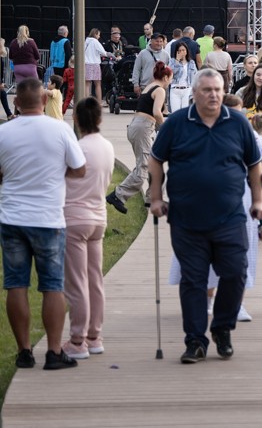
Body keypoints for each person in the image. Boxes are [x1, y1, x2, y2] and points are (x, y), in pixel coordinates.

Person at [148, 69, 262, 363]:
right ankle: (194, 341)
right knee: (193, 279)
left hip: (231, 217)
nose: (213, 95)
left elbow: (254, 164)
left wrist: (258, 201)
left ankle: (222, 328)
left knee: (236, 272)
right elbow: (156, 160)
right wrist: (155, 197)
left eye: (217, 89)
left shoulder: (237, 123)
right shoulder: (177, 123)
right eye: (207, 90)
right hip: (186, 218)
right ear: (194, 93)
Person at [0, 79, 88, 370]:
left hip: (12, 218)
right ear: (44, 100)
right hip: (48, 218)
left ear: (16, 102)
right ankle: (53, 352)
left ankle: (24, 352)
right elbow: (80, 169)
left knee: (16, 284)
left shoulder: (4, 132)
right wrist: (57, 172)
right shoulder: (59, 129)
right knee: (52, 286)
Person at [63, 97, 115, 360]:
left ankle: (77, 340)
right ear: (100, 119)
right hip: (98, 217)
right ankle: (95, 336)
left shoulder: (77, 148)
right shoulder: (108, 146)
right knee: (95, 280)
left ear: (76, 119)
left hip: (74, 218)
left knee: (77, 282)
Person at [107, 61, 171, 214]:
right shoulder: (160, 90)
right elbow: (156, 112)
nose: (171, 81)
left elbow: (148, 110)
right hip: (143, 128)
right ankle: (118, 195)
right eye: (171, 78)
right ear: (166, 77)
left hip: (137, 126)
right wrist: (165, 129)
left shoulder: (149, 86)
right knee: (143, 166)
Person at [167, 41, 199, 113]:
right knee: (175, 112)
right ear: (177, 52)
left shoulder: (191, 63)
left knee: (185, 112)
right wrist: (177, 61)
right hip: (175, 89)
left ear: (186, 51)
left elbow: (195, 76)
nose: (182, 52)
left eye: (183, 50)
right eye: (180, 50)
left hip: (187, 89)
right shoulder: (172, 61)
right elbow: (171, 73)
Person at [82, 28, 106, 100]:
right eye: (98, 35)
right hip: (95, 64)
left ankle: (86, 101)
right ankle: (99, 101)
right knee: (97, 84)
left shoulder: (86, 41)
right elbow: (103, 52)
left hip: (86, 64)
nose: (99, 36)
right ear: (95, 34)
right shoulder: (95, 41)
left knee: (87, 84)